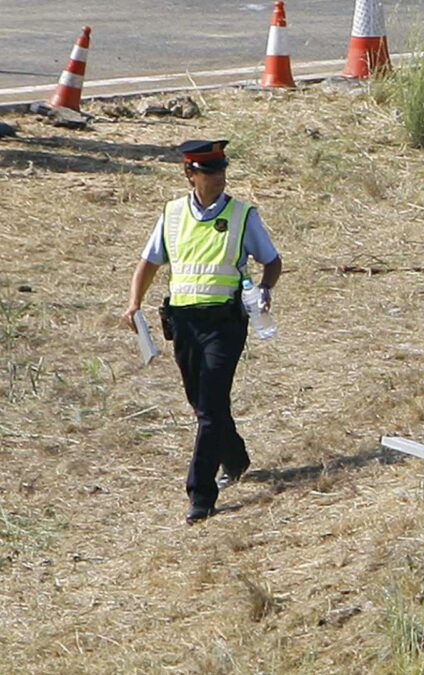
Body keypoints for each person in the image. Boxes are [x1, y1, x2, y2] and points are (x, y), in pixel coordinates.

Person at [121, 139, 282, 524]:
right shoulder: (173, 214)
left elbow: (272, 261)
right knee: (201, 403)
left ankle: (201, 494)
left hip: (225, 322)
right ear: (190, 174)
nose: (218, 178)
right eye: (210, 172)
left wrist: (264, 291)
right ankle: (235, 457)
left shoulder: (243, 215)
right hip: (184, 322)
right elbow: (149, 262)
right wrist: (133, 304)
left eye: (222, 170)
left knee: (210, 405)